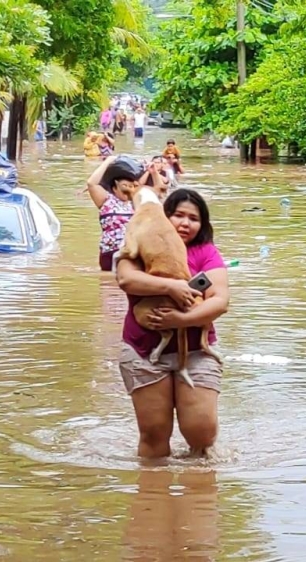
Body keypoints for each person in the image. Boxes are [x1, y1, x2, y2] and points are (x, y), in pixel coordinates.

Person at [115, 189, 229, 458]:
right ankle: (153, 494)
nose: (185, 223)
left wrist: (182, 319)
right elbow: (126, 280)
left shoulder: (206, 253)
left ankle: (198, 490)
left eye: (193, 218)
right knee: (154, 433)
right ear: (164, 216)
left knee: (202, 431)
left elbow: (220, 301)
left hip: (197, 352)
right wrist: (173, 286)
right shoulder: (139, 243)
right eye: (178, 215)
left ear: (202, 225)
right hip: (144, 351)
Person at [83, 156, 164, 271]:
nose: (129, 190)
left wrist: (154, 172)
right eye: (125, 186)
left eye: (131, 186)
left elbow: (159, 193)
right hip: (110, 251)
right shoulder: (106, 200)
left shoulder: (136, 201)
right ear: (114, 187)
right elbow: (91, 183)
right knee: (108, 286)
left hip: (134, 251)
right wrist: (108, 161)